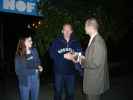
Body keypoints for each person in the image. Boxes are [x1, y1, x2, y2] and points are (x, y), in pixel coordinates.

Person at [49, 23, 82, 100]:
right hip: (59, 73)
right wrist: (63, 56)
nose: (67, 32)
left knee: (70, 93)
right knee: (58, 92)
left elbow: (80, 55)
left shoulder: (76, 42)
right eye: (65, 30)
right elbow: (51, 54)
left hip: (71, 73)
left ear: (71, 31)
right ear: (62, 31)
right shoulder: (56, 41)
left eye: (69, 30)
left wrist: (75, 57)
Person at [80, 18, 110, 100]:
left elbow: (95, 63)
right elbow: (93, 58)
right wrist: (83, 57)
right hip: (93, 82)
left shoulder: (97, 42)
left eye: (85, 26)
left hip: (94, 83)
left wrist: (81, 60)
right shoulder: (94, 40)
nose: (84, 28)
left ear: (90, 27)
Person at [15, 34, 43, 100]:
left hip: (35, 78)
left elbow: (38, 60)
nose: (32, 42)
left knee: (35, 98)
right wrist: (34, 71)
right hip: (25, 80)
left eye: (31, 40)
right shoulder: (19, 55)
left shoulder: (34, 50)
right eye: (29, 40)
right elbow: (18, 71)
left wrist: (39, 66)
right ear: (24, 42)